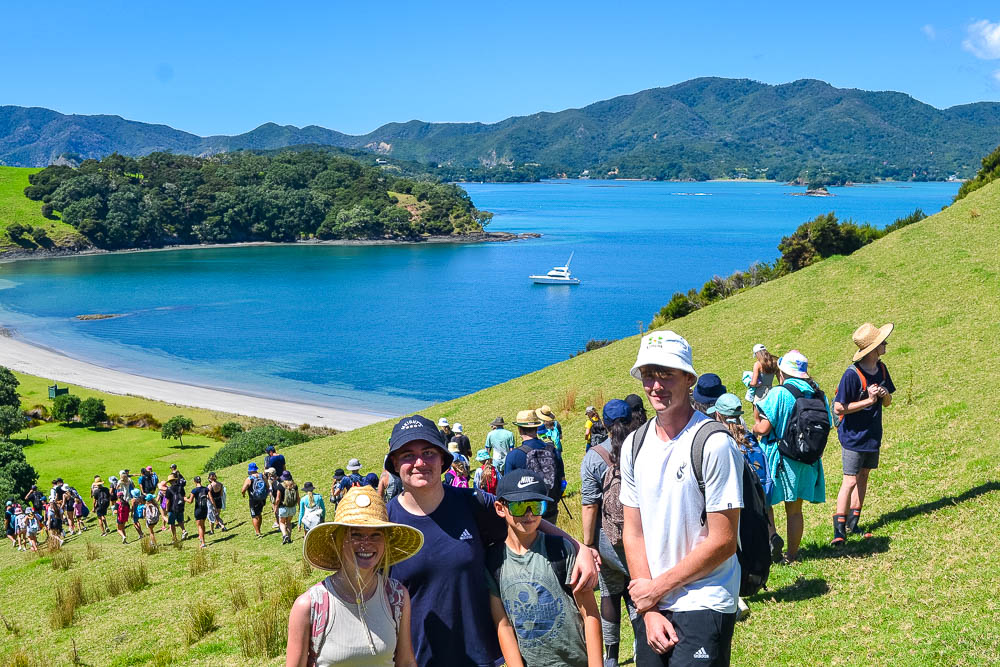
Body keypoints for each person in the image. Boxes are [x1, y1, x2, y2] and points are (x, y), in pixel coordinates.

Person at [384, 414, 599, 667]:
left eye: (428, 452)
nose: (420, 462)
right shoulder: (383, 523)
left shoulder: (472, 502)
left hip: (480, 658)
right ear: (395, 463)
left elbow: (523, 517)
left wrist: (579, 548)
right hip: (418, 659)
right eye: (408, 455)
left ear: (442, 459)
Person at [621, 330, 744, 664]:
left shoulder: (715, 444)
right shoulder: (633, 445)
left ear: (689, 378)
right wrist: (649, 606)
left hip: (705, 599)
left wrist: (654, 590)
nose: (655, 385)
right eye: (648, 374)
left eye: (666, 374)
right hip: (654, 603)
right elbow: (633, 531)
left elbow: (724, 541)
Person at [286, 485, 421, 667]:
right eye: (356, 535)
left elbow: (406, 662)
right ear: (338, 541)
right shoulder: (310, 606)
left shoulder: (396, 597)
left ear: (385, 542)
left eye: (375, 535)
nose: (366, 543)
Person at [488, 470, 603, 667]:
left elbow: (590, 615)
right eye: (519, 506)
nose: (529, 514)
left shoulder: (561, 550)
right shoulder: (493, 561)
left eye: (536, 506)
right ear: (500, 508)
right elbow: (504, 626)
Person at [580, 399, 656, 667]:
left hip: (607, 539)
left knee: (610, 593)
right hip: (644, 535)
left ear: (604, 422)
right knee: (639, 587)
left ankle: (611, 657)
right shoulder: (646, 445)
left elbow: (589, 504)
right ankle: (643, 646)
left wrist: (588, 544)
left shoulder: (594, 456)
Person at [752, 350, 832, 563]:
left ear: (782, 373)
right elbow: (829, 424)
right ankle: (792, 555)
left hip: (780, 458)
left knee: (764, 501)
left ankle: (772, 537)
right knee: (795, 511)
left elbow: (765, 428)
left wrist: (754, 427)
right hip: (807, 459)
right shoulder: (818, 393)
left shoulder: (779, 393)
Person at [832, 322, 895, 545]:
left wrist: (884, 394)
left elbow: (888, 403)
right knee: (850, 480)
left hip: (872, 435)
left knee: (864, 476)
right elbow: (839, 408)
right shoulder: (852, 375)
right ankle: (839, 531)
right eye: (882, 342)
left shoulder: (882, 369)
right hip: (853, 437)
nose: (886, 344)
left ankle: (853, 523)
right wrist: (868, 400)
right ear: (873, 349)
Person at [504, 410, 565, 522]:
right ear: (537, 428)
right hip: (550, 509)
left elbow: (507, 489)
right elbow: (562, 482)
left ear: (519, 429)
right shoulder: (553, 451)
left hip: (526, 515)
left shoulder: (513, 456)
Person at [241, 462, 268, 538]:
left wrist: (243, 494)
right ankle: (259, 529)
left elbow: (243, 489)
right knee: (259, 513)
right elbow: (267, 485)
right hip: (262, 498)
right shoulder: (262, 476)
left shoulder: (249, 478)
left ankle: (257, 532)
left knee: (254, 516)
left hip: (253, 499)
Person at [187, 475, 211, 548]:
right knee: (203, 524)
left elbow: (190, 501)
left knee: (199, 526)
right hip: (205, 509)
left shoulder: (194, 490)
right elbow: (210, 497)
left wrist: (184, 498)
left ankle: (203, 542)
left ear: (195, 482)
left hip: (198, 509)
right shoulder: (206, 489)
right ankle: (201, 537)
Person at [276, 471, 300, 545]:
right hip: (292, 507)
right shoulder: (294, 486)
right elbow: (298, 497)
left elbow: (278, 499)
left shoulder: (280, 486)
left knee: (282, 522)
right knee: (289, 522)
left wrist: (276, 507)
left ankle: (284, 535)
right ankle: (289, 538)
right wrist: (299, 506)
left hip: (283, 507)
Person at [165, 473, 188, 542]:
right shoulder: (181, 487)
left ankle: (174, 537)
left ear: (169, 482)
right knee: (180, 521)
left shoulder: (169, 489)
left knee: (172, 523)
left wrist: (167, 509)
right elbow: (184, 497)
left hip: (172, 509)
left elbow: (168, 501)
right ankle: (184, 531)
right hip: (180, 507)